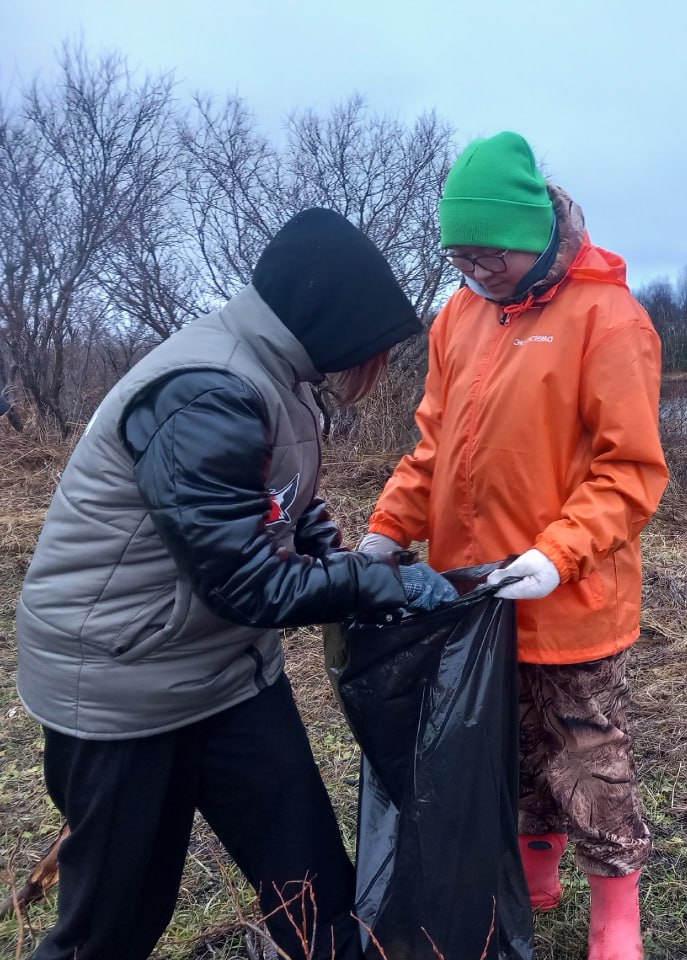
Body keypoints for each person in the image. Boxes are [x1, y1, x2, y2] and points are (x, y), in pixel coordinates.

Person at [16, 208, 457, 960]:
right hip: (125, 682)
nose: (375, 368)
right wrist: (381, 588)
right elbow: (244, 583)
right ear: (332, 324)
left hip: (225, 672)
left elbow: (284, 500)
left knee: (311, 885)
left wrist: (336, 552)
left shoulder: (281, 376)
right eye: (375, 349)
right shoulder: (205, 391)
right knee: (114, 923)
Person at [358, 131, 668, 960]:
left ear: (532, 236)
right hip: (472, 593)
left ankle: (617, 921)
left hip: (571, 596)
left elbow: (631, 472)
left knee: (587, 758)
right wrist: (389, 531)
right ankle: (534, 874)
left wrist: (558, 554)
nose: (475, 269)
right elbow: (432, 449)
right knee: (501, 752)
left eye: (488, 252)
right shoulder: (458, 317)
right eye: (459, 254)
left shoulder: (610, 318)